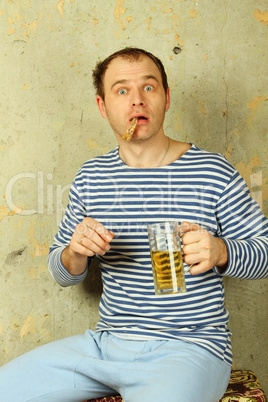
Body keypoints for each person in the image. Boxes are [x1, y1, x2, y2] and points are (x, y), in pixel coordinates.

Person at [0, 47, 267, 402]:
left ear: (167, 98)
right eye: (122, 90)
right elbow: (62, 272)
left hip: (190, 350)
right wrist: (74, 253)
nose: (137, 101)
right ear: (102, 106)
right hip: (104, 346)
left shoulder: (213, 171)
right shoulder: (91, 177)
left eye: (149, 88)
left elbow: (264, 253)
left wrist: (222, 251)